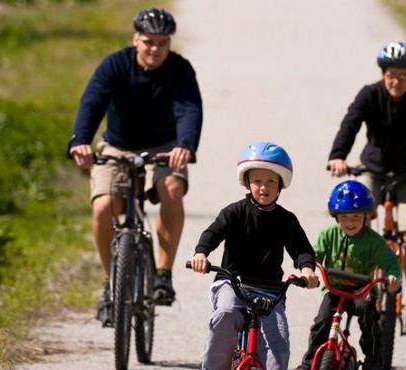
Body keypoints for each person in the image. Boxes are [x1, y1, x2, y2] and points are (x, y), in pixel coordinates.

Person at [67, 7, 203, 321]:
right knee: (103, 207)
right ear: (135, 39)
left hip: (167, 147)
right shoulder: (115, 65)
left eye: (162, 42)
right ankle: (110, 283)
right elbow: (92, 102)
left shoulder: (180, 70)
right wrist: (80, 140)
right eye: (148, 41)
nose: (155, 48)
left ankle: (163, 276)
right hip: (118, 146)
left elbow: (189, 109)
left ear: (169, 43)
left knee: (171, 188)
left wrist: (185, 145)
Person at [326, 41, 406, 337]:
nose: (397, 81)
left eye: (403, 76)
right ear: (383, 74)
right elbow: (350, 123)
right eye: (391, 75)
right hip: (373, 170)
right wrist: (338, 156)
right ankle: (357, 289)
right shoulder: (369, 94)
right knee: (357, 224)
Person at [189, 141, 320, 370]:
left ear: (281, 185)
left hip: (270, 290)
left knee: (277, 338)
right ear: (247, 183)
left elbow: (301, 249)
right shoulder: (234, 212)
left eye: (271, 181)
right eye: (257, 181)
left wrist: (307, 270)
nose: (263, 187)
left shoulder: (286, 220)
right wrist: (201, 253)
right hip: (233, 283)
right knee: (226, 314)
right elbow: (213, 233)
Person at [294, 180, 401, 370]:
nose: (350, 222)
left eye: (356, 217)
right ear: (336, 217)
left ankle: (373, 358)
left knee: (369, 316)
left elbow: (391, 262)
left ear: (366, 216)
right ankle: (309, 361)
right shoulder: (329, 234)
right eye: (344, 217)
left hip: (362, 290)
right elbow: (314, 254)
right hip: (334, 288)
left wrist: (392, 276)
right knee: (322, 320)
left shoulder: (373, 241)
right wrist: (309, 268)